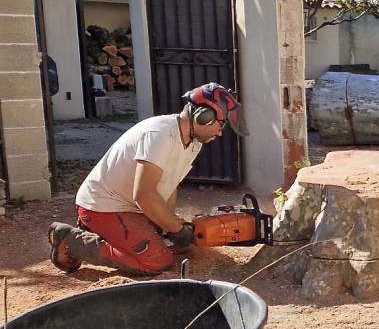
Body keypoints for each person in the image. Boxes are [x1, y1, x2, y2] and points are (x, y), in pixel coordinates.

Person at [48, 83, 247, 275]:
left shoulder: (194, 142)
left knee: (178, 246)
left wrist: (170, 226)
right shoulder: (160, 134)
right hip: (103, 206)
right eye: (221, 124)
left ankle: (106, 232)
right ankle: (70, 241)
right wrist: (177, 229)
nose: (220, 132)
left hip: (131, 207)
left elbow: (169, 184)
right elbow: (144, 195)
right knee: (156, 261)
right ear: (203, 116)